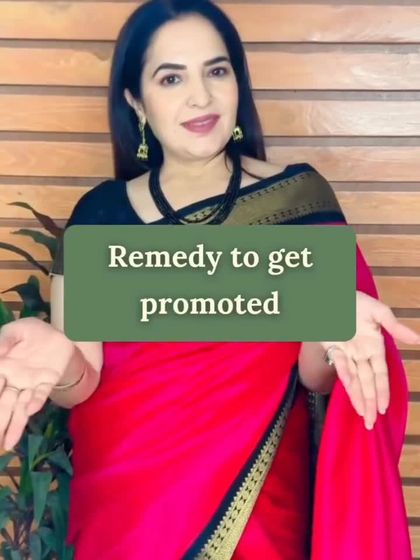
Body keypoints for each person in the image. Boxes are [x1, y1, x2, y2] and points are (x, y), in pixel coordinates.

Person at [0, 1, 417, 558]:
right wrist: (59, 357)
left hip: (261, 515)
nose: (200, 97)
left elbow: (314, 377)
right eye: (171, 78)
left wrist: (336, 329)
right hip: (129, 517)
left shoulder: (297, 202)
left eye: (216, 71)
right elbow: (84, 379)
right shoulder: (100, 217)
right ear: (135, 100)